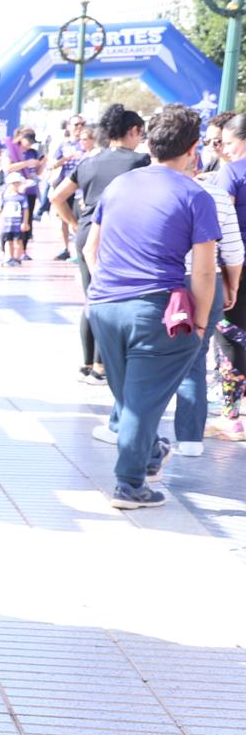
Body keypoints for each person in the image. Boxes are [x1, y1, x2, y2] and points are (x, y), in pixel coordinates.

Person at [86, 104, 219, 509]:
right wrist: (198, 326)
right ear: (194, 149)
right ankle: (130, 483)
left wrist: (103, 289)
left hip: (104, 305)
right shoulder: (195, 194)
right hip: (155, 307)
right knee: (141, 401)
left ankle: (147, 454)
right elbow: (204, 273)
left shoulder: (120, 186)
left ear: (149, 141)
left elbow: (92, 248)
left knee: (129, 397)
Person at [52, 104, 149, 382]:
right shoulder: (138, 162)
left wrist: (73, 223)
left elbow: (57, 197)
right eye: (140, 133)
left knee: (92, 297)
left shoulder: (88, 162)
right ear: (132, 131)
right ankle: (102, 364)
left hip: (86, 233)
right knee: (112, 298)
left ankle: (87, 361)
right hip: (118, 234)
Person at [179, 113, 246, 453]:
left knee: (225, 341)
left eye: (226, 143)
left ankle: (231, 415)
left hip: (228, 268)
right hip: (233, 265)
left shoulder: (230, 175)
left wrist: (229, 283)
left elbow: (223, 236)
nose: (223, 150)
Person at [47, 116, 90, 258]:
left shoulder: (86, 142)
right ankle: (65, 248)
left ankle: (80, 248)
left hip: (81, 185)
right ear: (69, 127)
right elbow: (53, 164)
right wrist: (68, 157)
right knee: (64, 218)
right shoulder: (63, 145)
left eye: (82, 124)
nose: (79, 127)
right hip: (66, 184)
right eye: (76, 124)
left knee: (81, 217)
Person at [0, 172, 30, 266]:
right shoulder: (6, 197)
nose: (15, 185)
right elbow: (1, 209)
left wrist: (25, 222)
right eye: (13, 183)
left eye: (17, 183)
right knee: (8, 242)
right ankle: (9, 257)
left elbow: (26, 210)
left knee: (18, 242)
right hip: (7, 224)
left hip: (17, 224)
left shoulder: (22, 197)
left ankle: (17, 258)